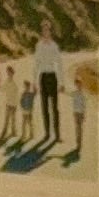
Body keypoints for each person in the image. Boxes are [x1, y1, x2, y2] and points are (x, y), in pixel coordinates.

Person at [31, 21, 64, 151]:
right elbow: (36, 64)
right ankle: (47, 134)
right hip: (43, 77)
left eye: (48, 30)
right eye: (43, 30)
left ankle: (57, 135)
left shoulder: (54, 46)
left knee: (54, 108)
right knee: (44, 107)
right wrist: (34, 82)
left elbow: (59, 64)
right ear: (42, 32)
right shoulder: (38, 46)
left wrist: (61, 83)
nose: (46, 32)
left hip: (52, 77)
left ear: (50, 31)